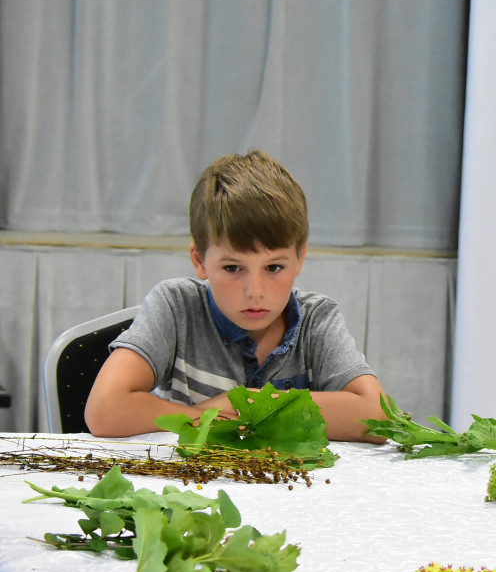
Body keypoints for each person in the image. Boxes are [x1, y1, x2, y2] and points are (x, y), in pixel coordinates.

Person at [85, 150, 387, 442]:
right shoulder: (176, 307)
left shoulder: (317, 320)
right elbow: (104, 410)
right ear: (199, 260)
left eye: (274, 267)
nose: (255, 291)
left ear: (300, 258)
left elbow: (378, 417)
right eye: (232, 267)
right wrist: (207, 417)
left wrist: (244, 405)